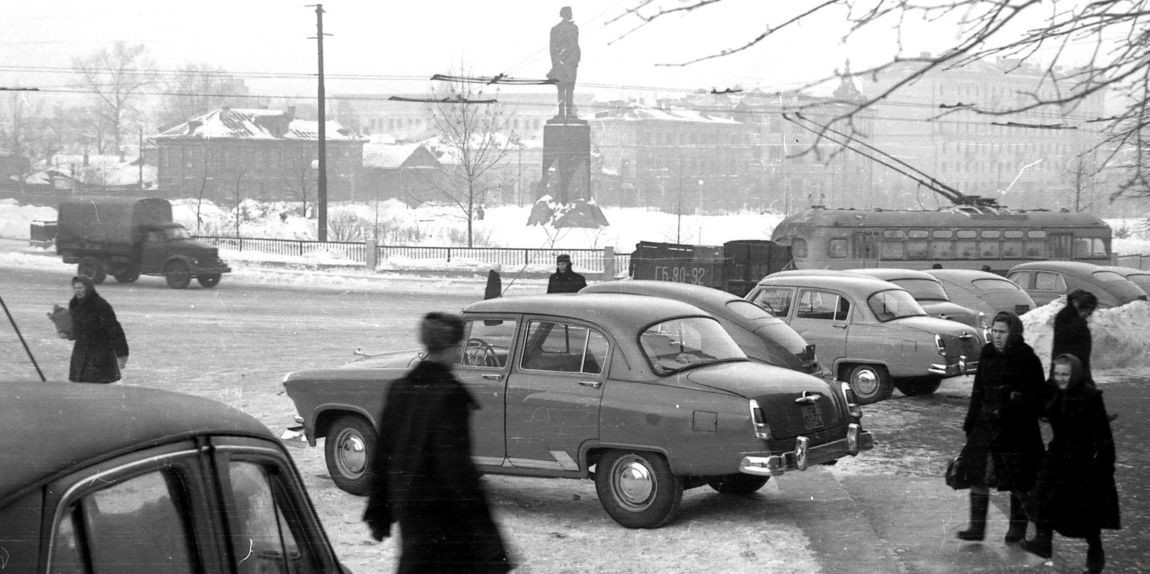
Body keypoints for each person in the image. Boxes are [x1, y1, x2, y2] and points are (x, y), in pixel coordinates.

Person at [363, 312, 513, 573]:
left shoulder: (399, 389)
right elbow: (456, 469)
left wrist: (379, 511)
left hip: (411, 514)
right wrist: (490, 541)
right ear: (453, 347)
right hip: (447, 520)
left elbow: (383, 453)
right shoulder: (449, 395)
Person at [1022, 354, 1119, 573]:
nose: (1061, 378)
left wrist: (1106, 466)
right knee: (1040, 496)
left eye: (1065, 374)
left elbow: (1103, 436)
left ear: (1074, 374)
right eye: (1057, 374)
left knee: (1084, 514)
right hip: (1057, 456)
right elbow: (1041, 408)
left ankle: (1096, 555)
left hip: (1082, 462)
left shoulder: (1090, 397)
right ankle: (1043, 542)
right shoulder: (1055, 393)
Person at [955, 311, 1046, 544]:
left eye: (1002, 332)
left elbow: (1037, 396)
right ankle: (976, 528)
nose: (997, 336)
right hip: (985, 424)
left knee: (1018, 480)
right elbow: (978, 390)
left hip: (1016, 428)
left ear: (1013, 332)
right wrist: (970, 420)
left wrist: (1013, 404)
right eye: (994, 331)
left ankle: (1017, 530)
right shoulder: (987, 353)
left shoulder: (1027, 358)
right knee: (977, 473)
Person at [63, 275, 129, 383]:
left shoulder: (100, 305)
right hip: (80, 352)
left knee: (98, 387)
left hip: (100, 353)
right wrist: (67, 333)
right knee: (80, 386)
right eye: (75, 288)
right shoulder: (74, 304)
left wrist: (122, 353)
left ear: (88, 288)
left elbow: (114, 329)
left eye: (80, 288)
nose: (77, 291)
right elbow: (77, 329)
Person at [1052, 289, 1097, 378]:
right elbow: (1064, 338)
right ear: (1074, 301)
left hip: (1076, 363)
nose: (1088, 314)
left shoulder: (1076, 317)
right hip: (1068, 365)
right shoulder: (1066, 316)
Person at [546, 6, 580, 120]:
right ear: (565, 14)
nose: (571, 14)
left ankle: (563, 113)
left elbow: (552, 49)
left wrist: (557, 62)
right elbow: (573, 46)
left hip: (562, 63)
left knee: (562, 89)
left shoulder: (555, 29)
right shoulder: (573, 28)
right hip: (568, 63)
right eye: (570, 12)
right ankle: (567, 113)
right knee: (568, 88)